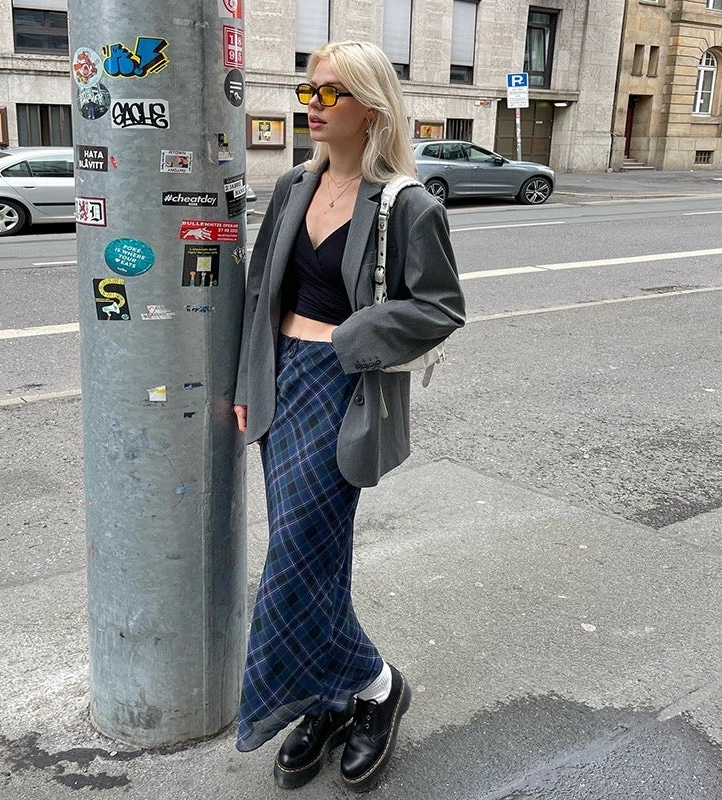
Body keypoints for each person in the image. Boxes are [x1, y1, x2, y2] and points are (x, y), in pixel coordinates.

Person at [232, 40, 465, 792]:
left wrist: (347, 340)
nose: (313, 106)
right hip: (280, 386)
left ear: (371, 107)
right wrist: (248, 381)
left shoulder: (408, 202)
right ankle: (342, 696)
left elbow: (440, 307)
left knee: (295, 562)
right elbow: (262, 292)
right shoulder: (292, 185)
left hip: (341, 388)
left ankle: (370, 685)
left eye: (330, 94)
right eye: (308, 91)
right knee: (316, 563)